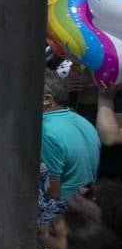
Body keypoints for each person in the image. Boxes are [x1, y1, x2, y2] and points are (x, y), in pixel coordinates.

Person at [41, 70, 101, 199]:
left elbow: (52, 193)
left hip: (60, 213)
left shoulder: (44, 132)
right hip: (83, 207)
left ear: (46, 99)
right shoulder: (83, 121)